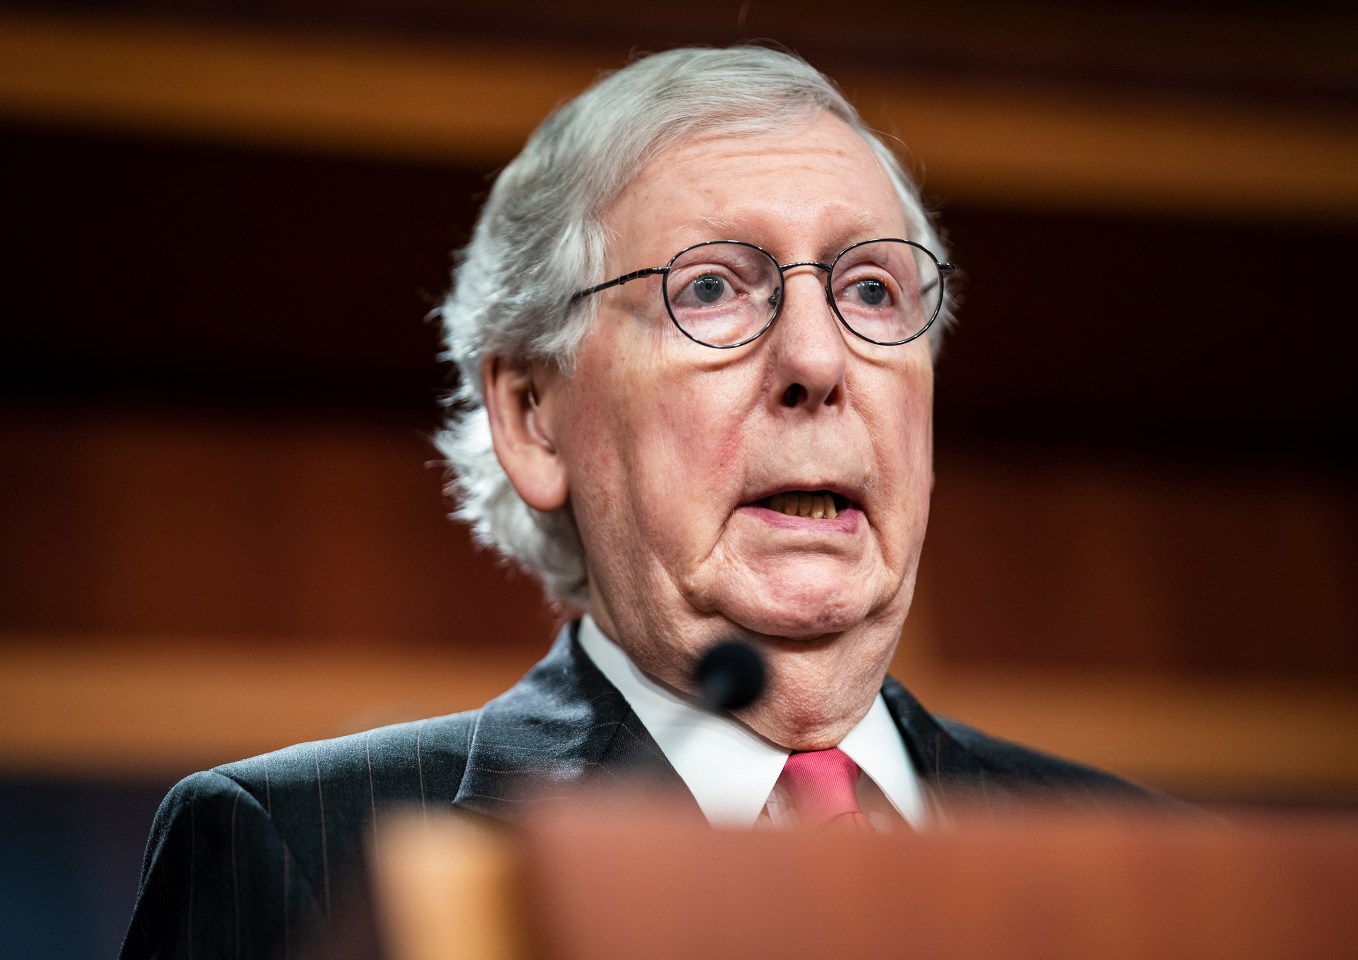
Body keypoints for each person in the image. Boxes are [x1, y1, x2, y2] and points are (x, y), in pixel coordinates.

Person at [121, 45, 1162, 960]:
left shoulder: (1147, 865)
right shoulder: (312, 852)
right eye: (711, 287)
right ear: (534, 416)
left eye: (871, 292)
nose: (816, 358)